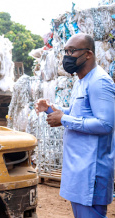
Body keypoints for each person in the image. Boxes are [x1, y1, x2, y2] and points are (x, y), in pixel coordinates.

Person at [35, 33, 115, 218]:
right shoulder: (81, 81)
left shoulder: (99, 82)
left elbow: (105, 124)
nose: (67, 56)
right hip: (79, 168)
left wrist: (63, 119)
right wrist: (51, 109)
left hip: (91, 171)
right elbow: (76, 113)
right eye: (65, 51)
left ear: (88, 54)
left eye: (72, 51)